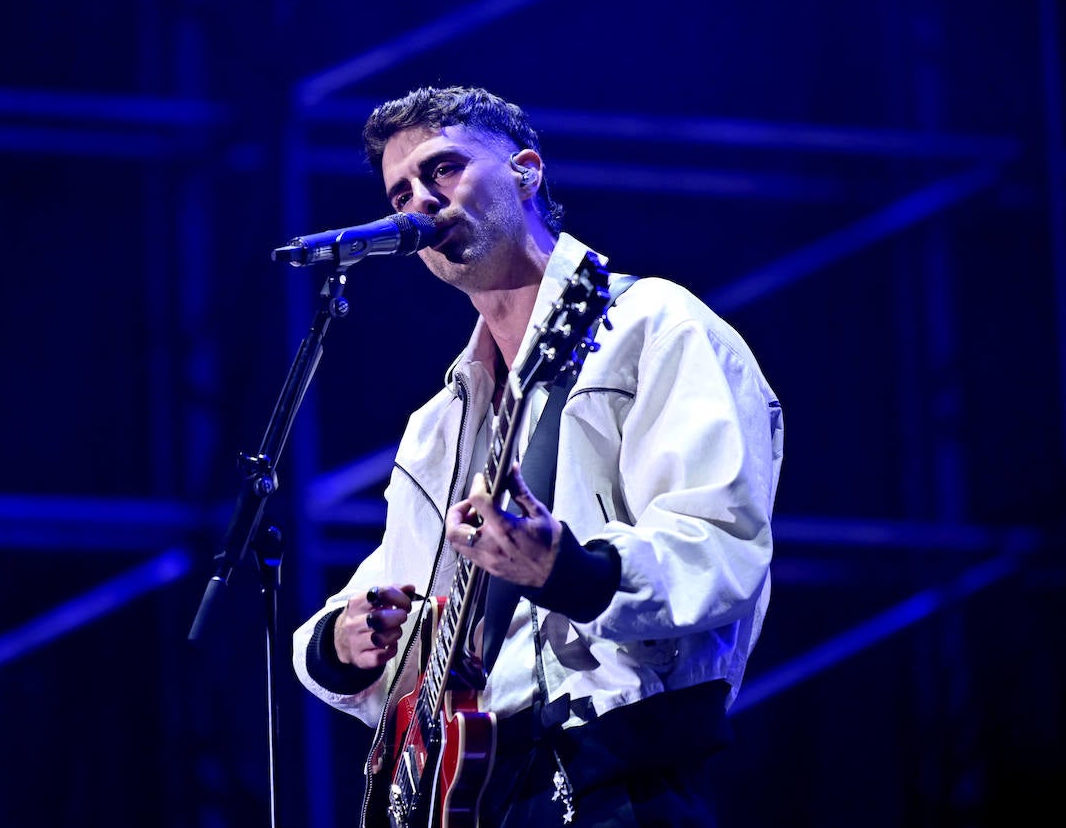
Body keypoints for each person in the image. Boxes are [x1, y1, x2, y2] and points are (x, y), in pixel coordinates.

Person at [291, 86, 784, 827]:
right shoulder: (440, 424)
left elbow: (721, 544)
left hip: (619, 776)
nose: (418, 203)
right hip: (479, 790)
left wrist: (571, 573)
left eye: (443, 170)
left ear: (525, 169)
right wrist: (343, 640)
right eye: (400, 191)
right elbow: (393, 600)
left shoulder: (655, 327)